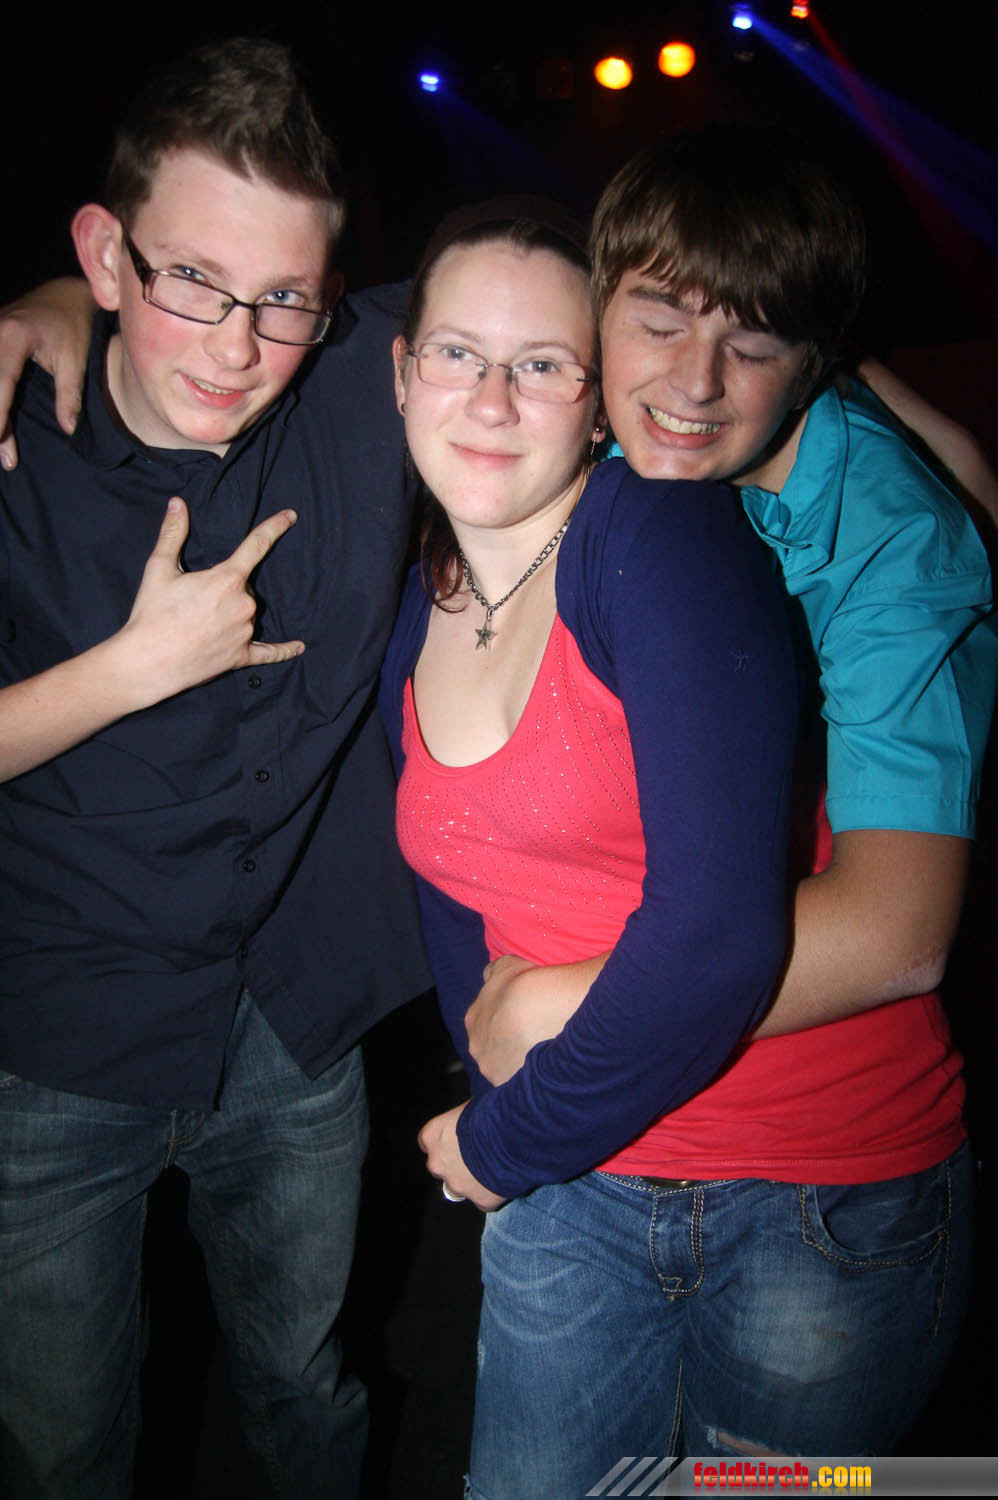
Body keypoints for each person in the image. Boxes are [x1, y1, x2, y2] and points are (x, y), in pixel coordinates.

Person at [408, 147, 993, 1487]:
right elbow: (432, 320)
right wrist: (63, 308)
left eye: (755, 345)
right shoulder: (590, 436)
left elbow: (902, 934)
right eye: (658, 321)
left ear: (813, 359)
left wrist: (554, 1002)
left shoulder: (894, 542)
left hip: (826, 1195)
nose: (690, 384)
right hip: (603, 1165)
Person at [0, 38, 427, 1500]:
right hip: (53, 1038)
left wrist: (854, 391)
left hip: (294, 1022)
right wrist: (129, 670)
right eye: (190, 279)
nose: (236, 347)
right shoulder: (11, 440)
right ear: (102, 256)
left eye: (283, 298)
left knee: (306, 1392)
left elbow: (661, 306)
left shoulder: (368, 381)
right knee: (61, 1451)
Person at [380, 198, 801, 1498]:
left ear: (599, 403)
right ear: (400, 373)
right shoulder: (422, 604)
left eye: (543, 364)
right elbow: (454, 895)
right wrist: (497, 1093)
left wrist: (501, 1142)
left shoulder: (658, 539)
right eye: (457, 353)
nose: (490, 400)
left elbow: (718, 938)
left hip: (789, 1188)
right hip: (574, 1169)